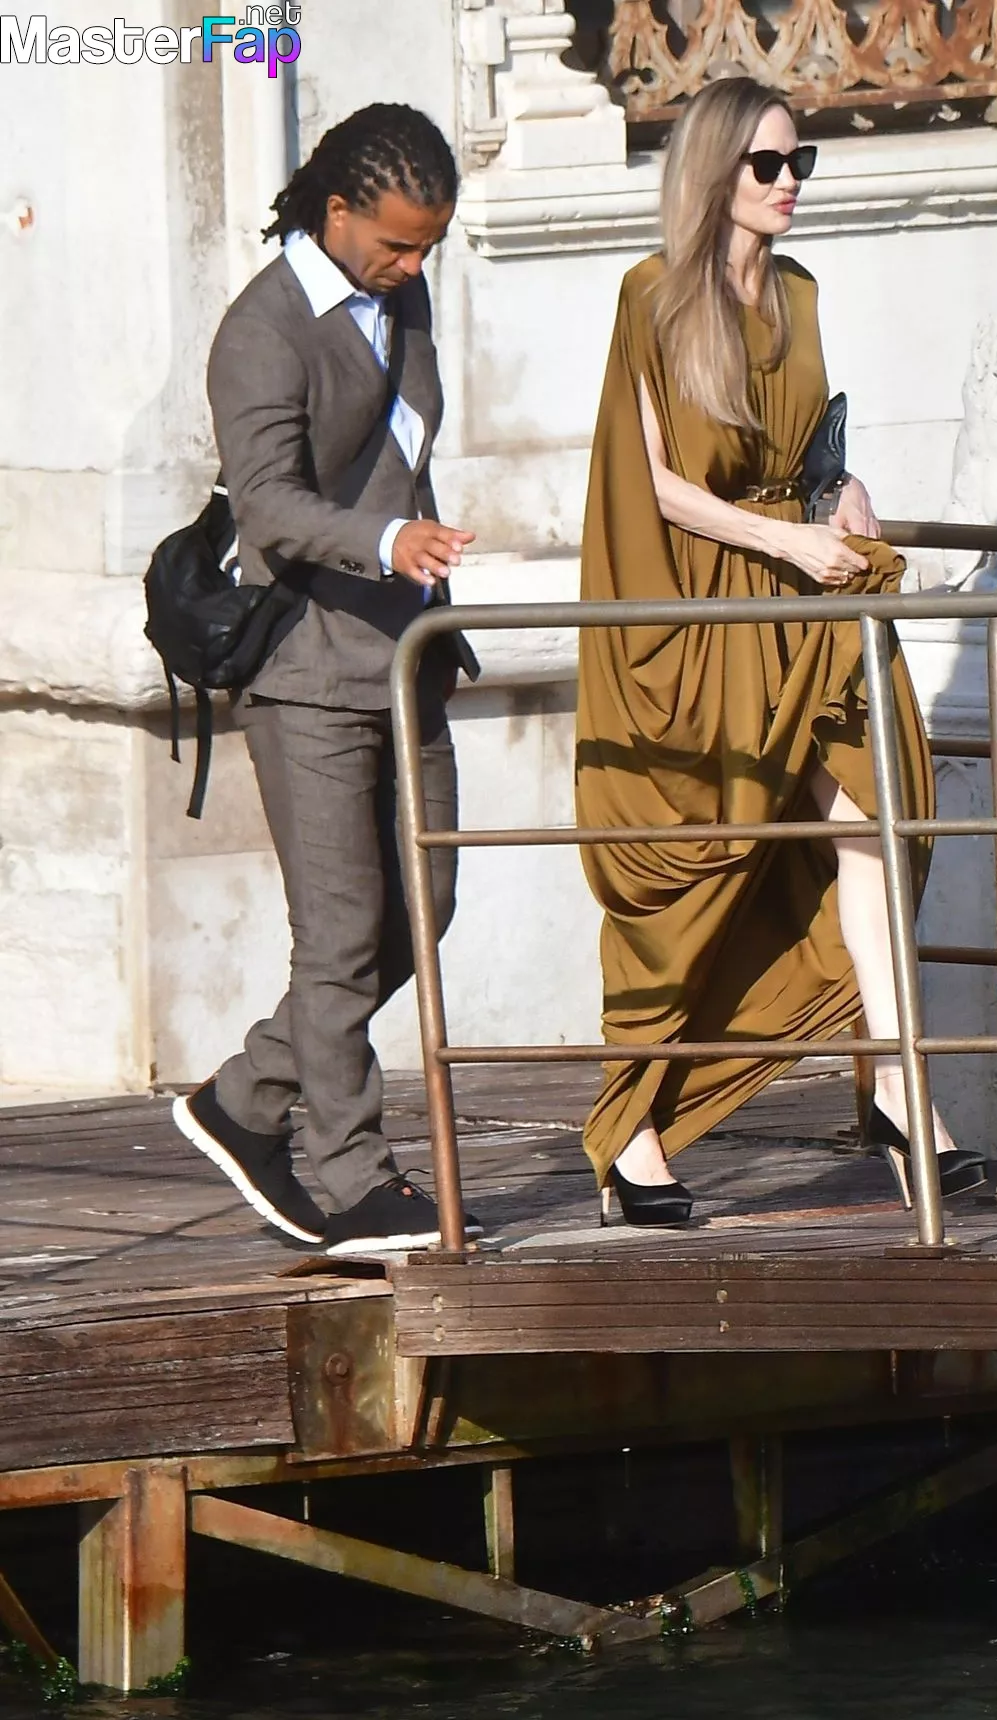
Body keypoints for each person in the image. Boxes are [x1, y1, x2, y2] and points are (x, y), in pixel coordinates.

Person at [575, 76, 986, 1228]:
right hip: (708, 610)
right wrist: (781, 540)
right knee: (701, 874)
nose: (790, 182)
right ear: (715, 173)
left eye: (800, 162)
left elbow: (804, 449)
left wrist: (841, 496)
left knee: (875, 821)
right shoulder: (651, 296)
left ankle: (902, 1092)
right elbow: (651, 481)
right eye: (768, 164)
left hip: (807, 598)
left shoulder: (798, 293)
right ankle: (630, 1132)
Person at [172, 103, 483, 1255]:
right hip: (307, 669)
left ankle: (246, 1098)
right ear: (336, 211)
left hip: (408, 655)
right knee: (341, 935)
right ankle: (354, 1178)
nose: (411, 267)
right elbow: (267, 506)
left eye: (428, 248)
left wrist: (417, 563)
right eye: (396, 244)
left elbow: (404, 449)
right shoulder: (261, 333)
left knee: (423, 910)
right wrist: (390, 541)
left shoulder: (405, 296)